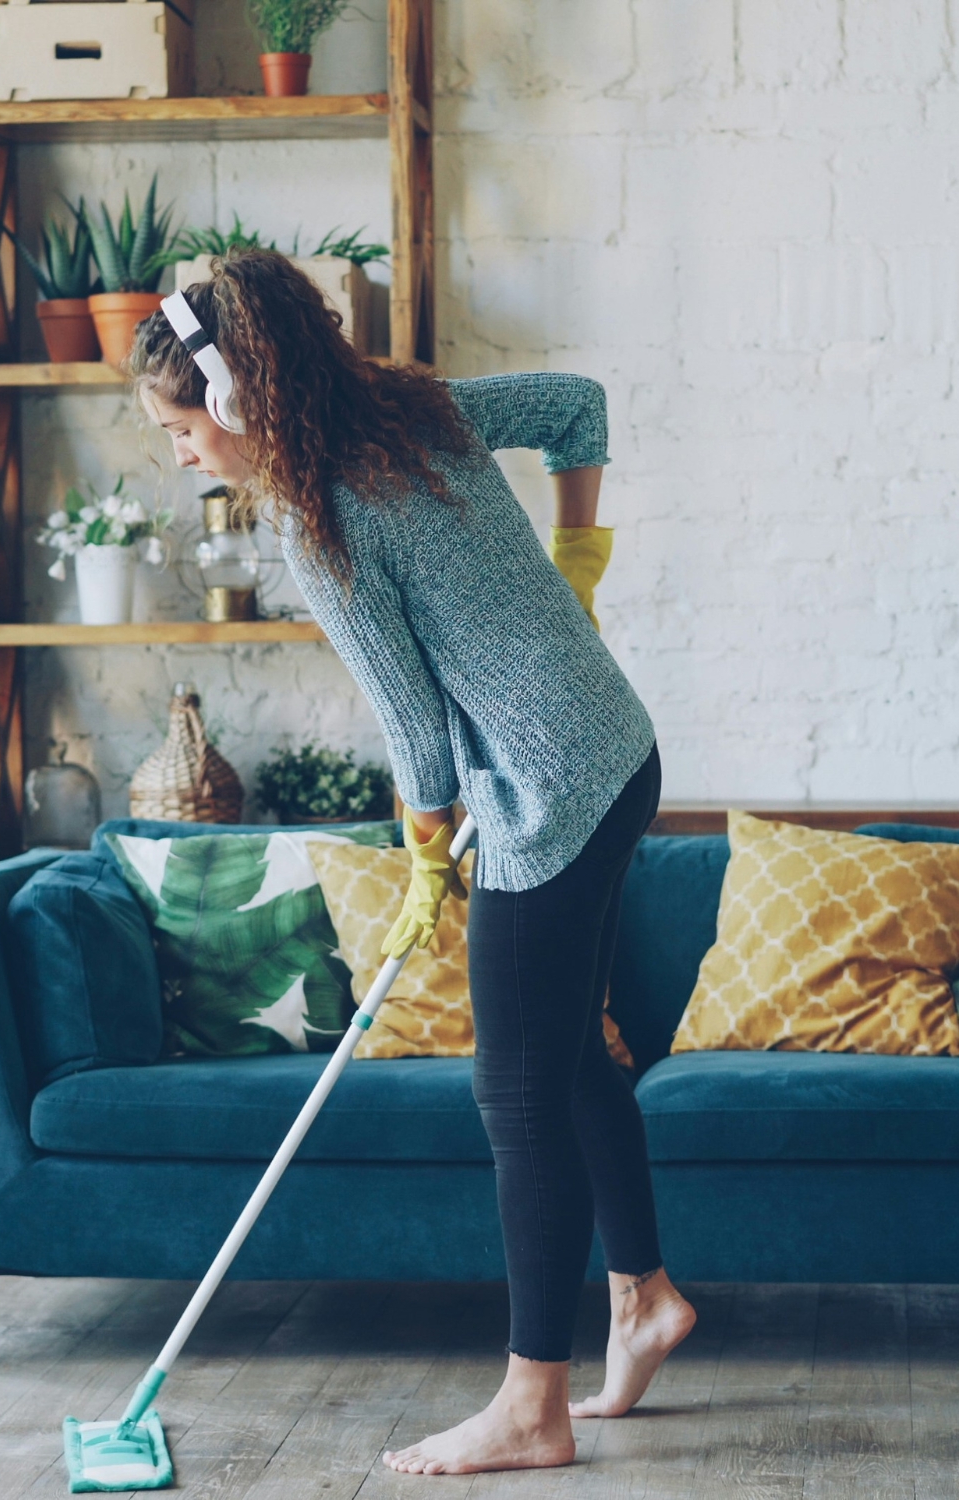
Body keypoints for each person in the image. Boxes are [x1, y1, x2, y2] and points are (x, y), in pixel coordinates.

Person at [130, 249, 696, 1477]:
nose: (179, 452)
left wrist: (424, 848)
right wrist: (576, 558)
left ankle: (531, 1404)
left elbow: (413, 730)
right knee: (565, 1047)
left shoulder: (313, 516)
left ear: (236, 402)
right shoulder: (414, 408)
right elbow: (576, 410)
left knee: (514, 1091)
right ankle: (643, 1298)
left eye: (181, 426)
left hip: (547, 794)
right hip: (615, 749)